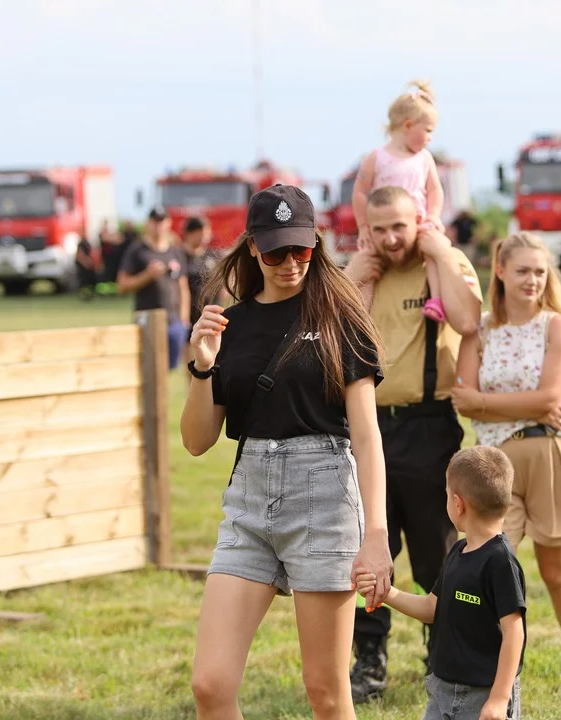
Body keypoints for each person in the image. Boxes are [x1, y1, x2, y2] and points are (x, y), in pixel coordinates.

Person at [181, 185, 394, 719]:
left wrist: (376, 536)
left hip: (325, 496)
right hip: (250, 502)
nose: (290, 263)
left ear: (315, 244)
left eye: (300, 250)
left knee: (325, 692)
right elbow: (196, 440)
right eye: (276, 251)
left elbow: (366, 436)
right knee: (210, 684)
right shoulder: (233, 325)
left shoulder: (341, 318)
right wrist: (203, 366)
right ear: (253, 247)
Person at [342, 185, 484, 704]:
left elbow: (469, 321)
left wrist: (440, 249)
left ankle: (440, 655)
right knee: (365, 550)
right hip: (366, 427)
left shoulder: (441, 261)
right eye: (379, 229)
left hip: (430, 426)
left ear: (419, 220)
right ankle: (369, 663)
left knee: (437, 553)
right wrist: (357, 276)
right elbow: (333, 339)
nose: (389, 239)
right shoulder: (362, 270)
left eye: (399, 226)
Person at [451, 231, 561, 679]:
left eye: (540, 272)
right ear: (499, 271)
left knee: (556, 570)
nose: (533, 280)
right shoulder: (478, 329)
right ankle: (485, 666)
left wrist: (485, 401)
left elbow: (551, 397)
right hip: (494, 464)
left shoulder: (557, 324)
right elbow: (462, 398)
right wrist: (522, 402)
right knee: (487, 564)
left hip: (551, 454)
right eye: (522, 271)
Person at [355, 446, 526, 720]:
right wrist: (386, 593)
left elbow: (514, 632)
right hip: (443, 688)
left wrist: (499, 699)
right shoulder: (458, 552)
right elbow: (431, 608)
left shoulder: (501, 561)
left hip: (484, 695)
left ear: (458, 504)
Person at [352, 81, 448, 324]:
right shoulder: (377, 158)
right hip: (386, 227)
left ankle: (436, 300)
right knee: (369, 265)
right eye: (427, 130)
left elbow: (435, 190)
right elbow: (360, 192)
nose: (430, 138)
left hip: (417, 225)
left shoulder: (425, 159)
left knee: (434, 254)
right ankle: (362, 316)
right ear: (408, 125)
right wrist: (364, 226)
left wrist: (433, 216)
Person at [117, 207, 190, 369]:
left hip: (173, 321)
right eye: (155, 221)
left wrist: (183, 318)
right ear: (148, 223)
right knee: (148, 369)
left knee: (169, 369)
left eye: (162, 221)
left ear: (168, 223)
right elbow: (122, 285)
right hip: (146, 320)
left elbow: (183, 287)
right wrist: (147, 275)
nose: (158, 225)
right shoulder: (137, 250)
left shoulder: (175, 251)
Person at [179, 216, 226, 372]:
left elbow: (224, 278)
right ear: (190, 233)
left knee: (216, 356)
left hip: (212, 311)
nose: (205, 235)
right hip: (191, 313)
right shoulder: (180, 256)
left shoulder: (213, 255)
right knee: (191, 360)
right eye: (200, 231)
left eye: (207, 231)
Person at [75, 234, 97, 300]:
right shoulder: (81, 244)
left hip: (88, 267)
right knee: (84, 282)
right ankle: (84, 295)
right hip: (83, 267)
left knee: (90, 282)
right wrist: (86, 264)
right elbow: (79, 255)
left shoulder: (87, 243)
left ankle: (89, 295)